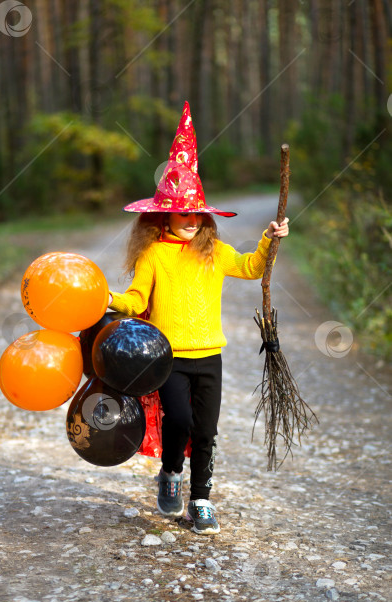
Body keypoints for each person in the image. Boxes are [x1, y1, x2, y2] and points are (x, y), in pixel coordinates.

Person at [108, 101, 288, 535]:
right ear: (164, 214)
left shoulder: (213, 250)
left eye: (196, 211)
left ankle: (201, 499)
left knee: (206, 430)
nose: (191, 219)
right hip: (167, 357)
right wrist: (104, 298)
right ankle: (171, 475)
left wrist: (269, 240)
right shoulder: (153, 254)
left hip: (210, 355)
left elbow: (250, 267)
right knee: (181, 421)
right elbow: (135, 299)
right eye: (182, 211)